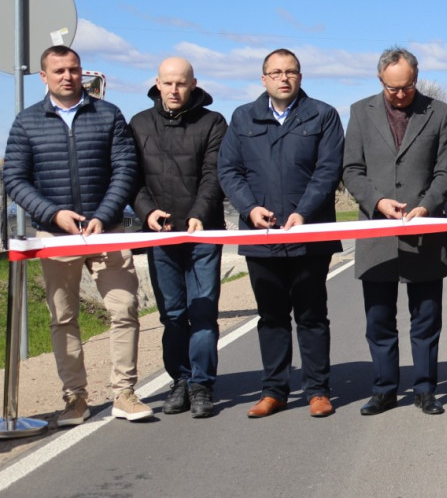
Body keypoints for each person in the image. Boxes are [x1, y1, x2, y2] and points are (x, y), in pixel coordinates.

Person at [2, 45, 153, 424]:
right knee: (63, 318)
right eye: (59, 71)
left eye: (73, 69)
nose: (67, 77)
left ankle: (124, 393)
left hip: (108, 231)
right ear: (44, 77)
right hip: (56, 236)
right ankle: (75, 398)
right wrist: (52, 213)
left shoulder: (108, 115)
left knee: (124, 309)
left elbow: (125, 170)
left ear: (81, 72)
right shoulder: (26, 121)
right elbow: (14, 178)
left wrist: (104, 214)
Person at [218, 48, 344, 418]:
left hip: (309, 236)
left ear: (300, 77)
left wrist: (304, 212)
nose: (283, 78)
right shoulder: (243, 117)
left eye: (290, 72)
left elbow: (328, 169)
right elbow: (229, 171)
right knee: (271, 317)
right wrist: (249, 208)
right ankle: (274, 391)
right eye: (276, 72)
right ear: (264, 79)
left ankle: (318, 390)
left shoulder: (323, 115)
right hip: (262, 237)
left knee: (311, 315)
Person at [341, 47, 447, 416]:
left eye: (407, 86)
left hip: (424, 233)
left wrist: (426, 205)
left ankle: (425, 389)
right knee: (379, 319)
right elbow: (352, 171)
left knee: (426, 318)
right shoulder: (360, 112)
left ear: (416, 79)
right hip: (377, 233)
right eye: (393, 89)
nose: (402, 94)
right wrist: (377, 202)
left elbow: (446, 171)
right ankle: (384, 389)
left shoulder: (438, 113)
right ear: (380, 82)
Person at [130, 57, 227, 418]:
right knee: (172, 314)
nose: (173, 90)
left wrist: (199, 214)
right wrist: (146, 212)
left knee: (202, 309)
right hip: (160, 234)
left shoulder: (213, 122)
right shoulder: (139, 124)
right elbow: (131, 177)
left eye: (181, 83)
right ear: (157, 83)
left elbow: (213, 174)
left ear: (193, 84)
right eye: (167, 83)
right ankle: (180, 379)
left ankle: (202, 385)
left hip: (203, 233)